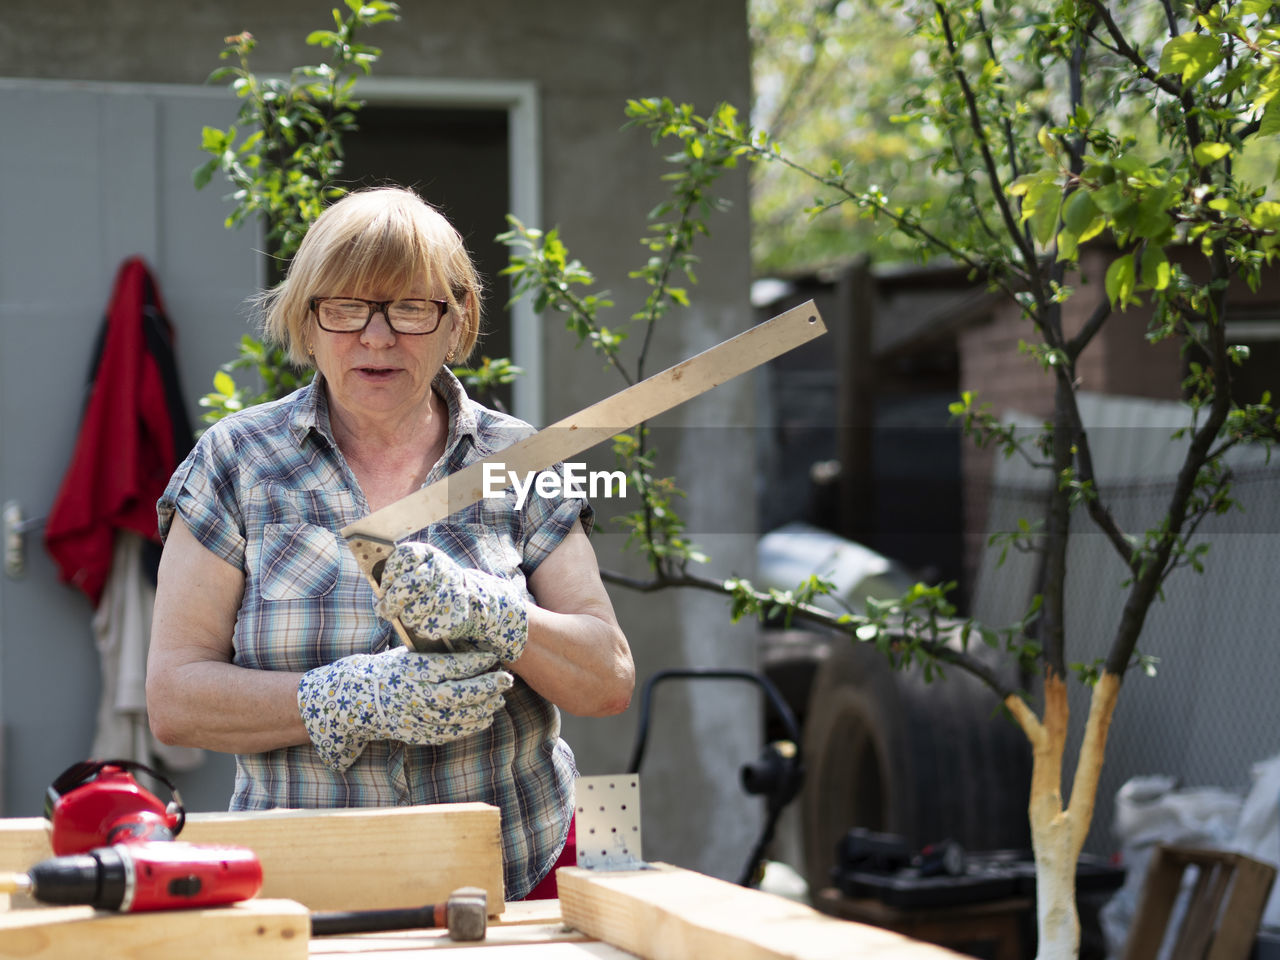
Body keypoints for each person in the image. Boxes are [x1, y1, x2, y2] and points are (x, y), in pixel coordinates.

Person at [145, 186, 634, 899]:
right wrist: (342, 699)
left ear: (456, 320)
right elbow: (175, 700)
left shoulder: (520, 462)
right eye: (344, 308)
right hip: (305, 891)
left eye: (410, 307)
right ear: (307, 320)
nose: (377, 337)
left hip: (514, 876)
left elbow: (608, 679)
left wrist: (498, 616)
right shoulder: (237, 464)